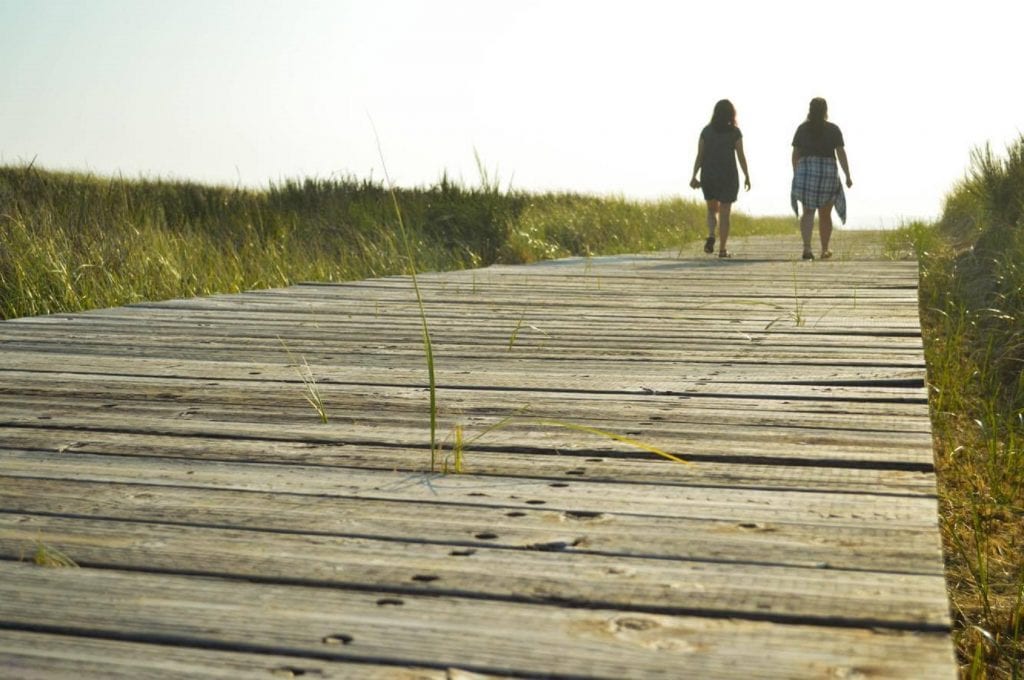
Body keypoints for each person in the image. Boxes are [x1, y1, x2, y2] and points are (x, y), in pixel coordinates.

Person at [790, 97, 853, 260]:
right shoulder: (833, 129)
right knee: (825, 214)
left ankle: (807, 248)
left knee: (808, 212)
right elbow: (840, 153)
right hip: (827, 171)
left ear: (810, 110)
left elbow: (795, 154)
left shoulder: (802, 129)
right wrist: (847, 175)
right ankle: (825, 249)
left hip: (806, 169)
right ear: (826, 110)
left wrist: (796, 174)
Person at [689, 99, 751, 258]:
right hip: (728, 175)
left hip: (709, 175)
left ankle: (711, 234)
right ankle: (722, 250)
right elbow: (741, 156)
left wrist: (694, 175)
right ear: (731, 114)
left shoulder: (706, 131)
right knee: (725, 213)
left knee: (711, 210)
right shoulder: (735, 133)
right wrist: (747, 175)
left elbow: (700, 156)